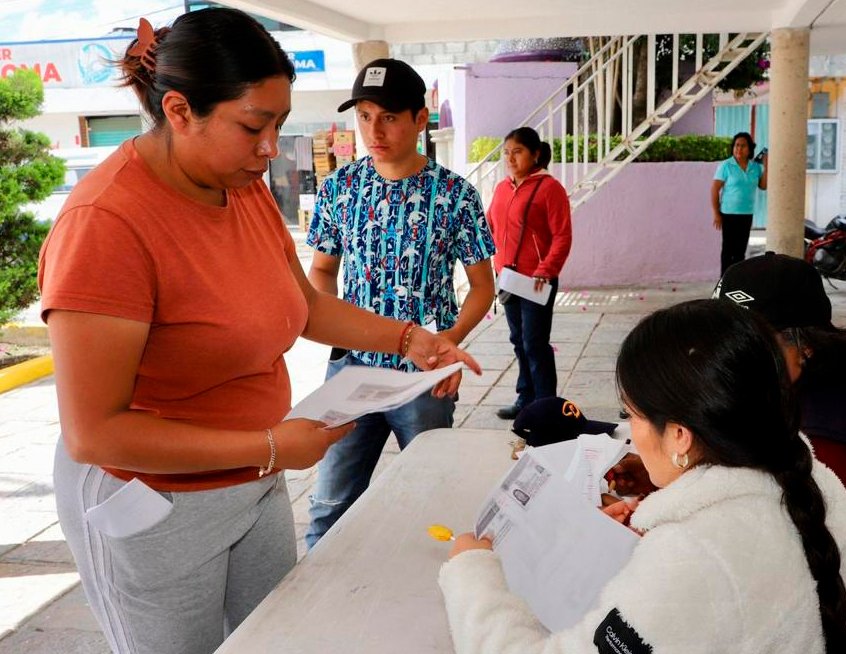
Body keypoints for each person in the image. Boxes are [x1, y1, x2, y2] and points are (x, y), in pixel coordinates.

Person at [37, 11, 478, 654]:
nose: (272, 146)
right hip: (154, 505)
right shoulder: (105, 225)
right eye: (254, 125)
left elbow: (299, 304)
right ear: (181, 111)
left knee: (274, 638)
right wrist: (269, 445)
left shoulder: (237, 184)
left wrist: (409, 339)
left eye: (278, 122)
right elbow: (94, 431)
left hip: (252, 479)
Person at [440, 299, 846, 653]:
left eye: (631, 415)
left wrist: (473, 573)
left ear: (681, 435)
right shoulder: (810, 474)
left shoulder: (695, 556)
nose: (630, 433)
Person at [303, 58, 495, 549]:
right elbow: (322, 270)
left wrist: (448, 341)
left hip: (425, 377)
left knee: (433, 499)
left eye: (388, 116)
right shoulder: (340, 189)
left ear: (419, 118)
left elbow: (482, 287)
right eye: (365, 115)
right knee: (329, 503)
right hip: (351, 374)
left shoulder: (456, 196)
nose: (374, 129)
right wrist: (334, 330)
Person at [715, 251, 846, 653]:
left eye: (749, 344)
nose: (729, 358)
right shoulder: (815, 386)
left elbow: (764, 567)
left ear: (805, 346)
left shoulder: (828, 443)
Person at [488, 126, 573, 420]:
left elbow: (562, 235)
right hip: (508, 278)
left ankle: (546, 405)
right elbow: (491, 226)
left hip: (536, 279)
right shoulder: (502, 188)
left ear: (535, 154)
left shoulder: (549, 188)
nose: (510, 158)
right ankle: (525, 398)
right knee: (518, 340)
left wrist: (546, 269)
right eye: (507, 152)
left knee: (535, 343)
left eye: (518, 151)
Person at [711, 131, 767, 274]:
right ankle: (724, 282)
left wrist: (766, 167)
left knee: (740, 251)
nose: (739, 149)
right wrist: (716, 213)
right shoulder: (726, 166)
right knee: (728, 251)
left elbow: (763, 186)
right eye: (736, 145)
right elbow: (714, 189)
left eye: (743, 146)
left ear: (749, 149)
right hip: (728, 214)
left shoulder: (755, 167)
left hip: (746, 214)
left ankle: (737, 283)